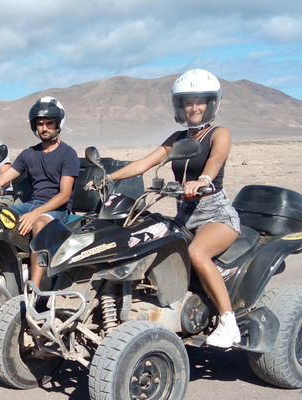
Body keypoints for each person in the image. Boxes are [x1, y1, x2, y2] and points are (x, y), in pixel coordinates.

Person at [90, 69, 241, 348]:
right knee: (143, 238)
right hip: (185, 215)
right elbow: (145, 163)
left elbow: (217, 159)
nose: (194, 108)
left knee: (197, 253)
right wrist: (109, 176)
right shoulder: (177, 138)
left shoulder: (220, 133)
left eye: (200, 101)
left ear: (211, 104)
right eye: (188, 102)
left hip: (215, 214)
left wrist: (203, 180)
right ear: (180, 106)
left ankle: (228, 321)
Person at [0, 97, 80, 289]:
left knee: (39, 225)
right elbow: (0, 180)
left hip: (58, 209)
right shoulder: (29, 154)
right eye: (40, 124)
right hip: (33, 203)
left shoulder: (68, 154)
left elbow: (64, 195)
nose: (44, 128)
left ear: (58, 125)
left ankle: (34, 289)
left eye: (49, 123)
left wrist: (36, 213)